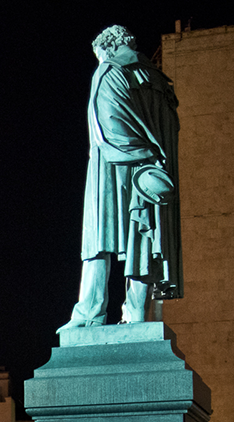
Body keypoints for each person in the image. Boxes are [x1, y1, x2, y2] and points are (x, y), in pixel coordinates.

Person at [60, 24, 181, 331]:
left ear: (109, 47)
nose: (99, 59)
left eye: (99, 53)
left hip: (112, 166)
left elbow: (108, 125)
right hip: (150, 173)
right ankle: (138, 314)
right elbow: (170, 130)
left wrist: (136, 152)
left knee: (97, 239)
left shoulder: (109, 71)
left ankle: (90, 312)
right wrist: (153, 158)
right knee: (143, 235)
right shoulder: (158, 80)